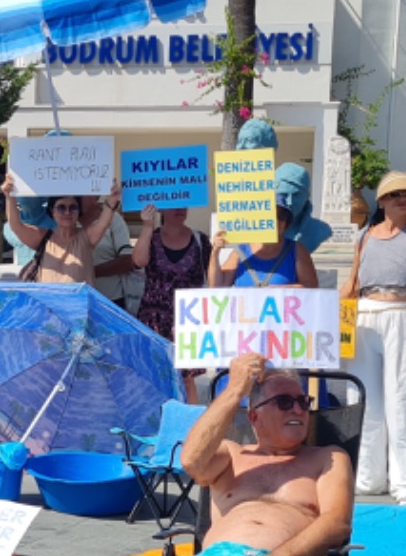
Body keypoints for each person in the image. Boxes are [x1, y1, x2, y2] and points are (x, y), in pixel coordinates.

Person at [85, 355, 352, 556]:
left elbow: (337, 523)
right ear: (254, 416)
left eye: (303, 401)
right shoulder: (231, 454)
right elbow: (192, 461)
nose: (298, 409)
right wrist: (235, 388)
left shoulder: (326, 458)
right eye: (284, 402)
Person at [341, 171, 406, 504]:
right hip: (365, 317)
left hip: (404, 314)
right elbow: (353, 283)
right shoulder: (365, 236)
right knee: (363, 399)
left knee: (403, 399)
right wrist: (337, 322)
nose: (403, 199)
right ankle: (368, 478)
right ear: (382, 200)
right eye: (396, 194)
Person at [130, 205, 208, 403]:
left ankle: (191, 428)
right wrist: (147, 226)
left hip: (188, 318)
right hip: (154, 319)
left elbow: (214, 277)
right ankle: (157, 424)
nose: (179, 209)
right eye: (173, 204)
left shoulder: (200, 240)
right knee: (154, 375)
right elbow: (138, 260)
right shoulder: (152, 237)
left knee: (187, 379)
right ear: (161, 209)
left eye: (184, 204)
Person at [207, 163, 323, 289]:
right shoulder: (240, 252)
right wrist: (215, 253)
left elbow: (311, 287)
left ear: (286, 224)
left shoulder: (296, 250)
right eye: (269, 216)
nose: (275, 221)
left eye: (281, 216)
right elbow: (217, 287)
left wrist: (276, 291)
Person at [1, 177, 124, 287]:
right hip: (49, 310)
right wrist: (9, 196)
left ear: (78, 212)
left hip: (78, 310)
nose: (67, 212)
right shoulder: (43, 237)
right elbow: (16, 226)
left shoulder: (87, 237)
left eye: (73, 208)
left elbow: (103, 222)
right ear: (52, 211)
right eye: (61, 208)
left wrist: (112, 200)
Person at [85, 192, 141, 313]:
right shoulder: (66, 221)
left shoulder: (114, 219)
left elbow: (127, 261)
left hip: (110, 301)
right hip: (77, 302)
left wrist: (90, 272)